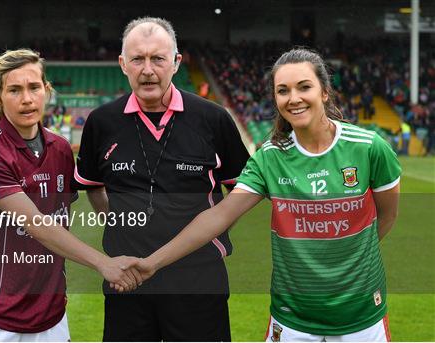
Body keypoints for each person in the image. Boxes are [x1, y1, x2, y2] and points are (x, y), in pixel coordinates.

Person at [133, 48, 401, 342]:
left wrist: (349, 259)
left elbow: (387, 215)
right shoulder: (270, 158)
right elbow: (220, 215)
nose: (293, 98)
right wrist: (152, 262)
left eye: (304, 87)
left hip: (362, 316)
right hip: (292, 319)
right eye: (282, 91)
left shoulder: (369, 148)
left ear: (324, 92)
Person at [74, 17, 249, 341]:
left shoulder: (213, 119)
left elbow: (241, 192)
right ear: (123, 64)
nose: (148, 69)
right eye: (138, 59)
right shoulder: (102, 122)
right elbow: (92, 185)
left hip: (199, 282)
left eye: (158, 58)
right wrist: (122, 223)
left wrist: (207, 233)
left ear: (176, 62)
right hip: (127, 283)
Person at [0, 49, 141, 342]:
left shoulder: (61, 149)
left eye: (34, 87)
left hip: (50, 315)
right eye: (14, 90)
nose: (27, 99)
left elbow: (92, 196)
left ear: (47, 90)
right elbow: (38, 225)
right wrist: (104, 263)